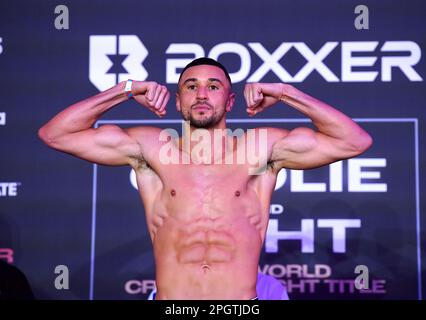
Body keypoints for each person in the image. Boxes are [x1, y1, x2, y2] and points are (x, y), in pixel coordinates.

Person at [38, 57, 372, 300]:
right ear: (178, 100)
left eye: (213, 87)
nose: (201, 94)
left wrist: (285, 92)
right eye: (191, 86)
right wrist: (124, 89)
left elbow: (355, 141)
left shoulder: (260, 149)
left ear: (229, 102)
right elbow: (55, 135)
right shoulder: (151, 148)